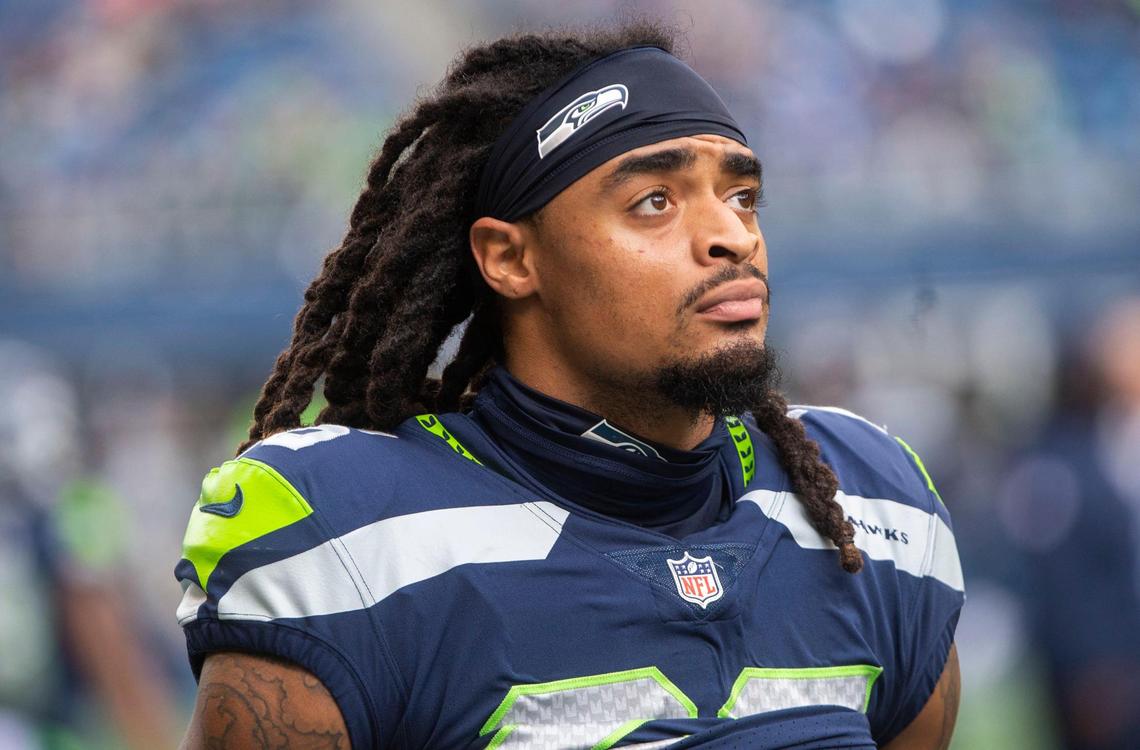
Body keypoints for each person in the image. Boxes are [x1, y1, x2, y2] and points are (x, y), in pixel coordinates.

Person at [176, 22, 963, 749]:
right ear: (512, 259)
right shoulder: (352, 543)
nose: (732, 235)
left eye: (742, 195)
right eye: (654, 202)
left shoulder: (869, 509)